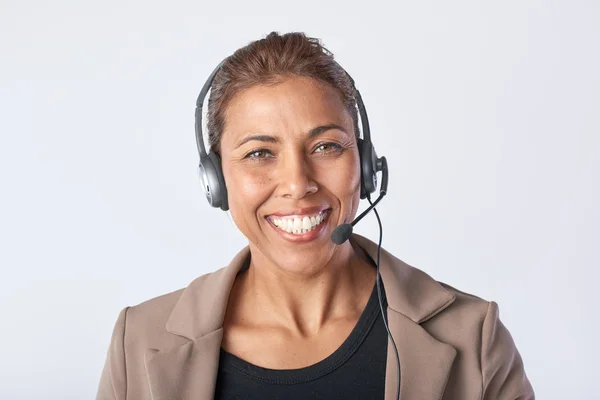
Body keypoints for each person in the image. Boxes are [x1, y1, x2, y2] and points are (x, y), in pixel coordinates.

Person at [96, 31, 534, 400]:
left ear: (364, 164)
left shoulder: (473, 336)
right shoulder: (139, 341)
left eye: (326, 146)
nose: (297, 183)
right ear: (216, 180)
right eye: (260, 153)